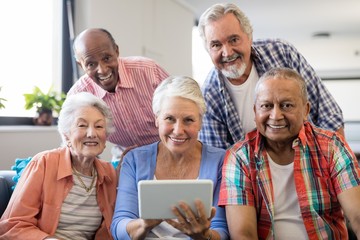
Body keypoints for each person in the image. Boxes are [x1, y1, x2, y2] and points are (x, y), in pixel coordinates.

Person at [218, 67, 360, 239]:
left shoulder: (332, 146)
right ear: (255, 111)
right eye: (266, 106)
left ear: (306, 110)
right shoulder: (239, 157)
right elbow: (243, 234)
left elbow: (357, 216)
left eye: (286, 105)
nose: (276, 115)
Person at [197, 3, 344, 149]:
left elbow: (329, 115)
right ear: (207, 50)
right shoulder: (209, 96)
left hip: (311, 160)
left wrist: (333, 165)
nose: (227, 52)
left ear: (249, 37)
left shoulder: (282, 54)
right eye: (216, 45)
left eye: (234, 40)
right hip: (255, 171)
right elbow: (221, 160)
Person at [111, 76, 229, 240]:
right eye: (169, 119)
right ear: (157, 119)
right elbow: (119, 227)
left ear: (201, 122)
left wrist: (204, 235)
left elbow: (222, 230)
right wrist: (144, 224)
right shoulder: (135, 160)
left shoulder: (220, 161)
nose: (178, 130)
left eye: (188, 120)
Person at [0, 92, 117, 240]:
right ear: (66, 135)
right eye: (82, 125)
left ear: (106, 136)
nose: (92, 133)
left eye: (99, 126)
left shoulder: (110, 175)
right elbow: (12, 225)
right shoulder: (44, 163)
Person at [68, 28, 170, 152]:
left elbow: (181, 108)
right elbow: (73, 145)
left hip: (167, 147)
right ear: (81, 65)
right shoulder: (78, 96)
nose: (102, 70)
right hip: (125, 155)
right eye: (91, 64)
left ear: (116, 51)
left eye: (106, 58)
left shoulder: (149, 70)